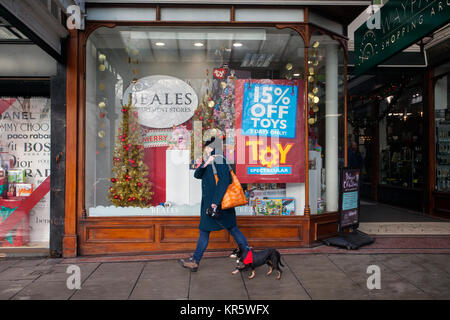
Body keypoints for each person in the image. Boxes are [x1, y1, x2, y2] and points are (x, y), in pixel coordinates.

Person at [178, 136, 249, 272]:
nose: (206, 149)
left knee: (231, 229)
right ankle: (195, 261)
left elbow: (224, 181)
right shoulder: (211, 160)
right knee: (209, 230)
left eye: (208, 147)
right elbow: (197, 175)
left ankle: (248, 258)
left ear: (212, 148)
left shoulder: (220, 160)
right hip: (210, 205)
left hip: (218, 205)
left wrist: (215, 203)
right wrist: (206, 163)